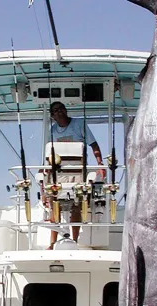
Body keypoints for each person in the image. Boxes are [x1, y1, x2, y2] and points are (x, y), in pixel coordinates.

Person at [46, 101, 106, 248]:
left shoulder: (79, 124)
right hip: (58, 173)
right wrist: (44, 170)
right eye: (55, 110)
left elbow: (94, 145)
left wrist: (100, 164)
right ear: (52, 116)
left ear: (66, 110)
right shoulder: (52, 131)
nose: (59, 112)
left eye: (61, 108)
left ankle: (75, 241)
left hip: (78, 171)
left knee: (76, 205)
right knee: (56, 206)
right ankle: (52, 243)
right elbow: (49, 155)